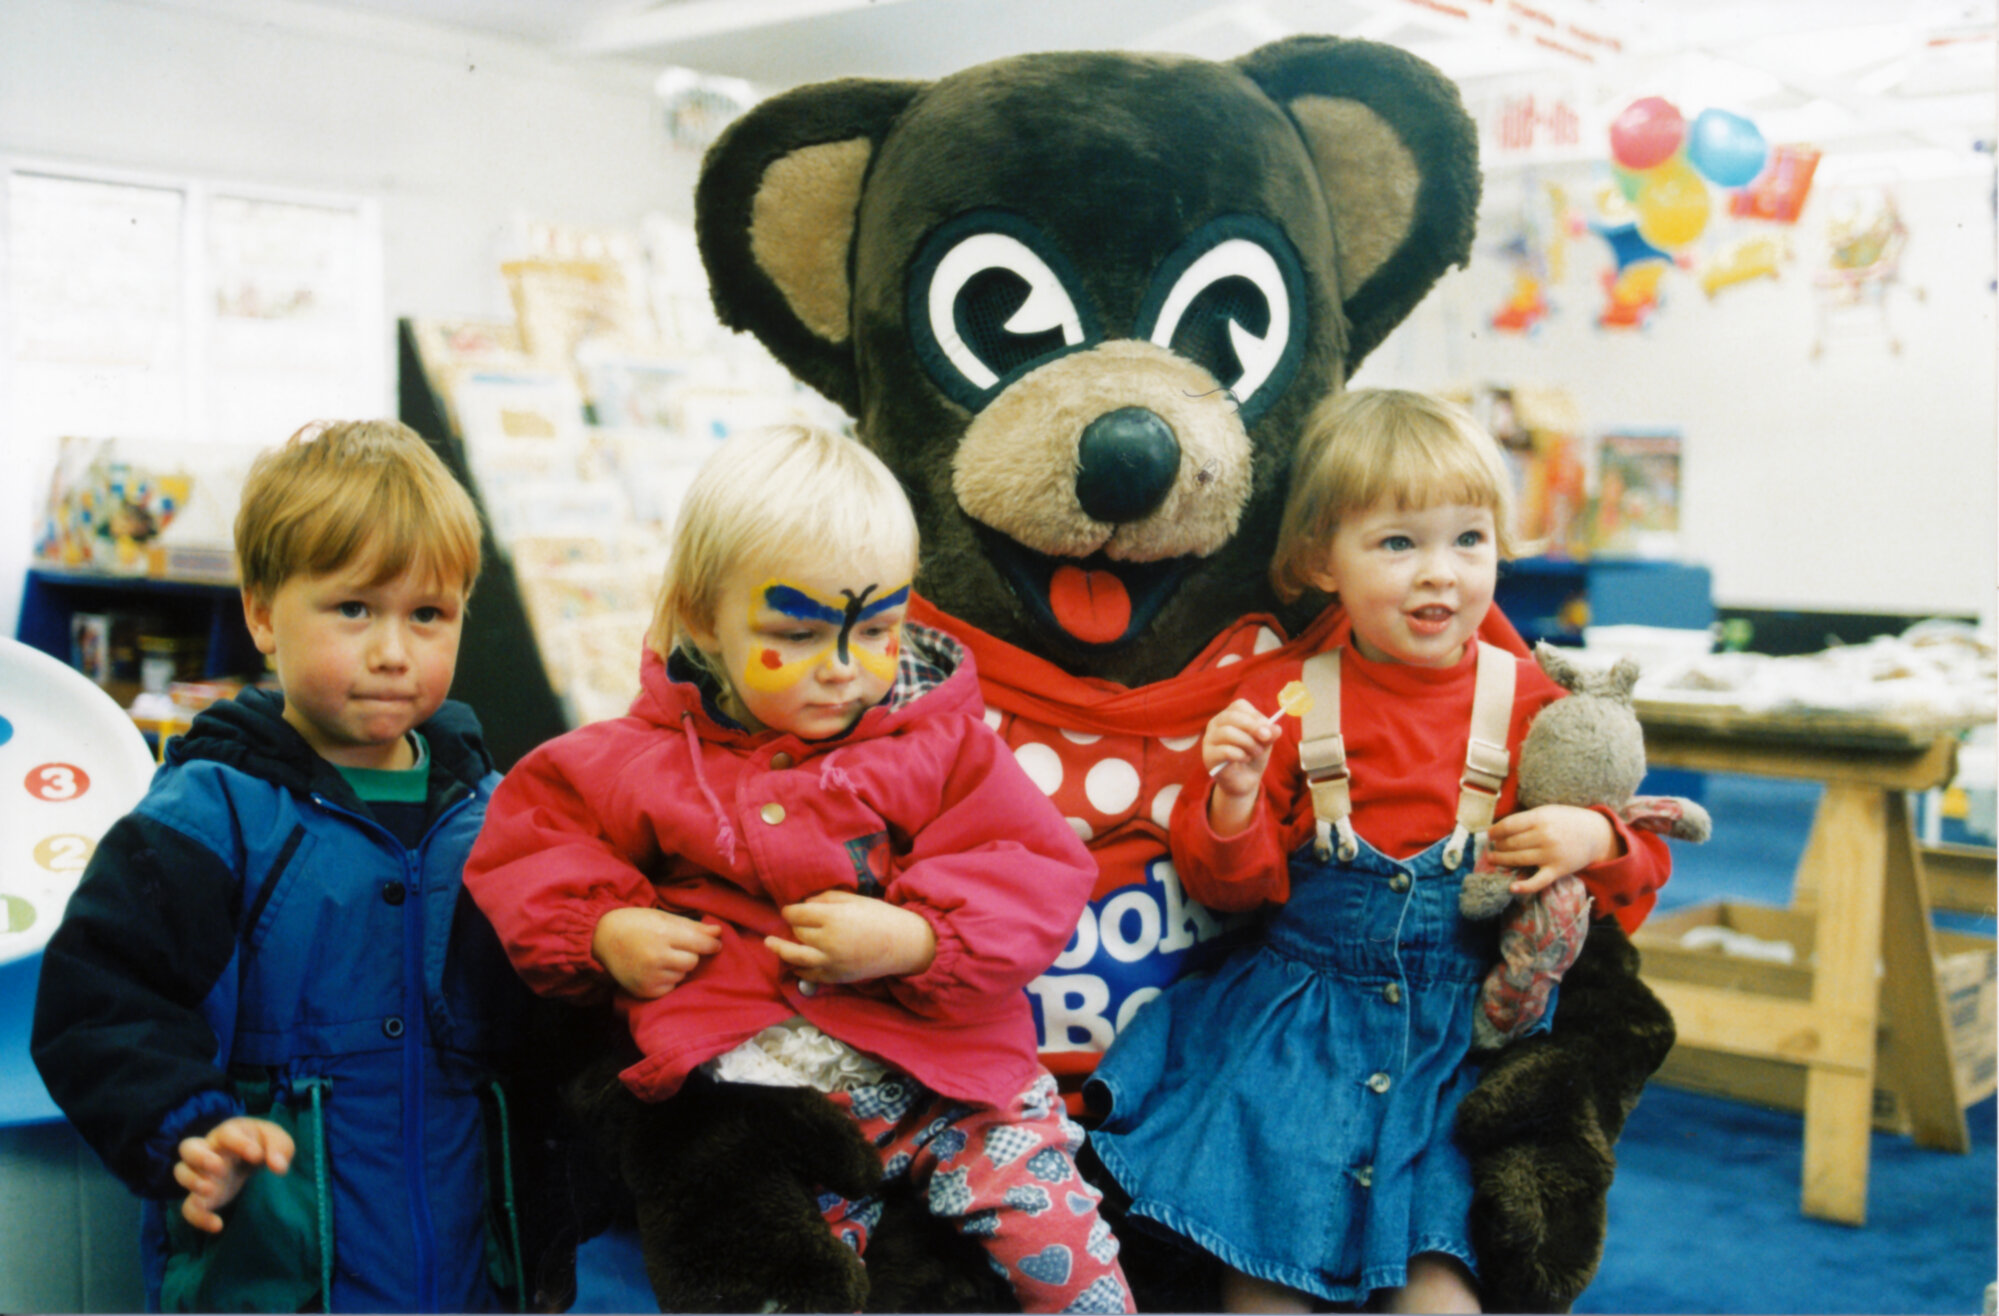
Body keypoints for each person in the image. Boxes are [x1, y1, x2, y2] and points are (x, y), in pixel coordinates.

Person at [463, 424, 1134, 1314]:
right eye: (797, 632)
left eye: (878, 629)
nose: (845, 669)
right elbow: (530, 843)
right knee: (779, 1281)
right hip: (763, 1100)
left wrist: (917, 936)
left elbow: (1030, 863)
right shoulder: (635, 759)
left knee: (1069, 1258)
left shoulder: (941, 748)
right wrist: (604, 930)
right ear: (703, 617)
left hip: (956, 1088)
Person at [1085, 389, 1671, 1314]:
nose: (1438, 574)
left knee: (1440, 1291)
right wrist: (1232, 801)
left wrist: (1592, 835)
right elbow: (1230, 889)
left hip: (1454, 1050)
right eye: (1398, 543)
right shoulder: (1287, 697)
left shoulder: (1531, 701)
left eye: (1467, 540)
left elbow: (1638, 876)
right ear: (1321, 558)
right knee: (1265, 1280)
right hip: (1293, 1044)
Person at [32, 420, 540, 1313]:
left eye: (428, 614)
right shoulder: (207, 816)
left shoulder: (499, 819)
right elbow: (100, 1002)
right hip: (269, 1275)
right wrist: (185, 1125)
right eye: (354, 609)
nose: (393, 651)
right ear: (263, 614)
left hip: (473, 1273)